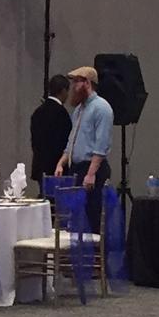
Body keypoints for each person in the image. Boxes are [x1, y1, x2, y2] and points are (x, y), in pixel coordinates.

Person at [56, 65, 114, 231]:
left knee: (93, 216)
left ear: (87, 83)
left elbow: (101, 144)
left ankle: (95, 248)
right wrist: (61, 162)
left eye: (76, 82)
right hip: (77, 168)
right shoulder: (79, 111)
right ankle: (79, 247)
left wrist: (91, 174)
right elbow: (72, 141)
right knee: (77, 218)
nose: (73, 87)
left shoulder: (101, 108)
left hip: (92, 169)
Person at [28, 80, 71, 189]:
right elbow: (66, 141)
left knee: (44, 194)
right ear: (63, 91)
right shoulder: (62, 114)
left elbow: (34, 141)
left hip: (40, 165)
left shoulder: (37, 112)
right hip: (56, 167)